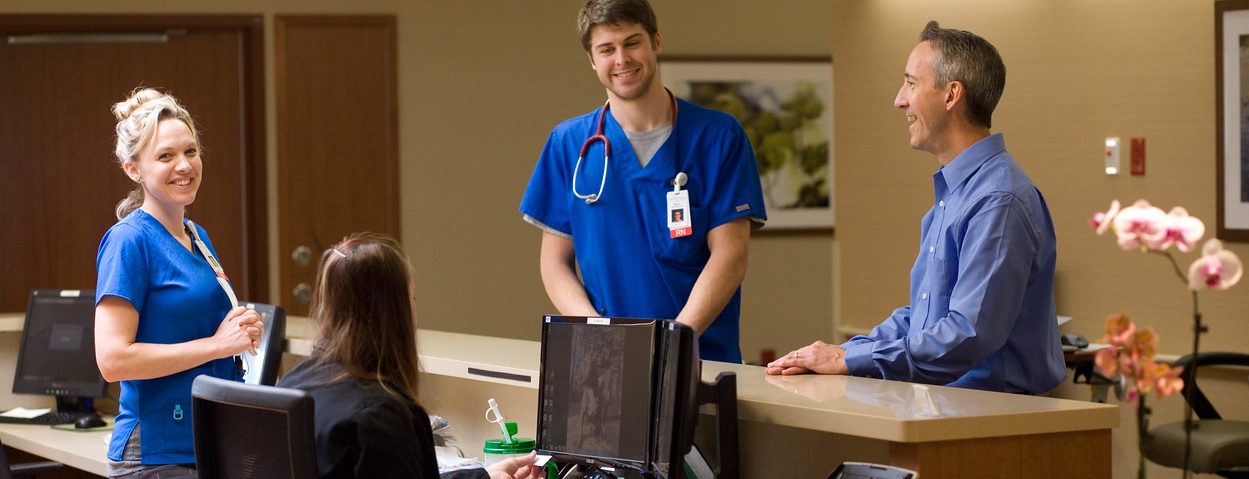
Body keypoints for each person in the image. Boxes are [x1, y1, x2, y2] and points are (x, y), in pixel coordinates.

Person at [767, 21, 1067, 395]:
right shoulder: (957, 191)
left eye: (911, 83)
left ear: (951, 94)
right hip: (953, 407)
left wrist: (848, 361)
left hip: (996, 420)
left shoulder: (997, 199)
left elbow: (967, 333)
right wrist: (840, 352)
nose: (899, 99)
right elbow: (923, 319)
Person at [519, 0, 766, 363]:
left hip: (699, 360)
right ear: (592, 59)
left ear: (656, 43)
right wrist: (597, 334)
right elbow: (554, 264)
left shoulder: (719, 137)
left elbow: (730, 256)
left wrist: (674, 345)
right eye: (607, 49)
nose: (622, 59)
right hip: (607, 361)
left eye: (632, 42)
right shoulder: (568, 144)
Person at [95, 87, 264, 478]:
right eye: (165, 156)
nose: (184, 165)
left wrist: (239, 329)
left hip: (208, 438)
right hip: (156, 451)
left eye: (190, 151)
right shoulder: (129, 240)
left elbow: (199, 327)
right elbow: (112, 360)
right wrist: (215, 345)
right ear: (134, 169)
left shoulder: (196, 235)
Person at [276, 233, 543, 479]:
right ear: (395, 312)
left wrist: (484, 476)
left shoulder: (295, 383)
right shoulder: (381, 416)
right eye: (411, 296)